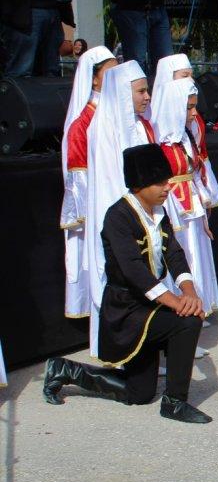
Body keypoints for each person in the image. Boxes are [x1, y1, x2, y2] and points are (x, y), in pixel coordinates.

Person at [43, 144, 211, 424]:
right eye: (159, 182)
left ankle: (65, 370)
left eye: (167, 180)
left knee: (139, 393)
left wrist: (188, 290)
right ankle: (174, 402)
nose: (167, 187)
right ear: (139, 184)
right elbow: (133, 270)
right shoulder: (117, 216)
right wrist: (175, 301)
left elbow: (173, 253)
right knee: (187, 321)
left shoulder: (159, 212)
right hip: (126, 310)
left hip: (148, 305)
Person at [84, 59, 153, 358]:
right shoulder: (103, 129)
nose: (147, 97)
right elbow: (111, 183)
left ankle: (150, 344)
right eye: (140, 92)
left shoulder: (140, 127)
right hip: (123, 221)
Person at [149, 78, 218, 320]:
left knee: (195, 259)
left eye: (194, 107)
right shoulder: (160, 143)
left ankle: (196, 311)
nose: (193, 113)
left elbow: (195, 173)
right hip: (173, 211)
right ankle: (177, 315)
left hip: (193, 211)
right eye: (188, 108)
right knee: (177, 260)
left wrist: (205, 202)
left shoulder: (186, 138)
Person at [60, 46, 117, 320]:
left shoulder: (118, 114)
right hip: (101, 210)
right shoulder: (83, 124)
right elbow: (79, 177)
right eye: (111, 72)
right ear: (94, 78)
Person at [151, 53, 218, 210]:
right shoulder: (155, 123)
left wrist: (206, 192)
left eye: (192, 75)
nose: (191, 80)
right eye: (185, 75)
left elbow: (200, 154)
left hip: (195, 192)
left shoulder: (195, 119)